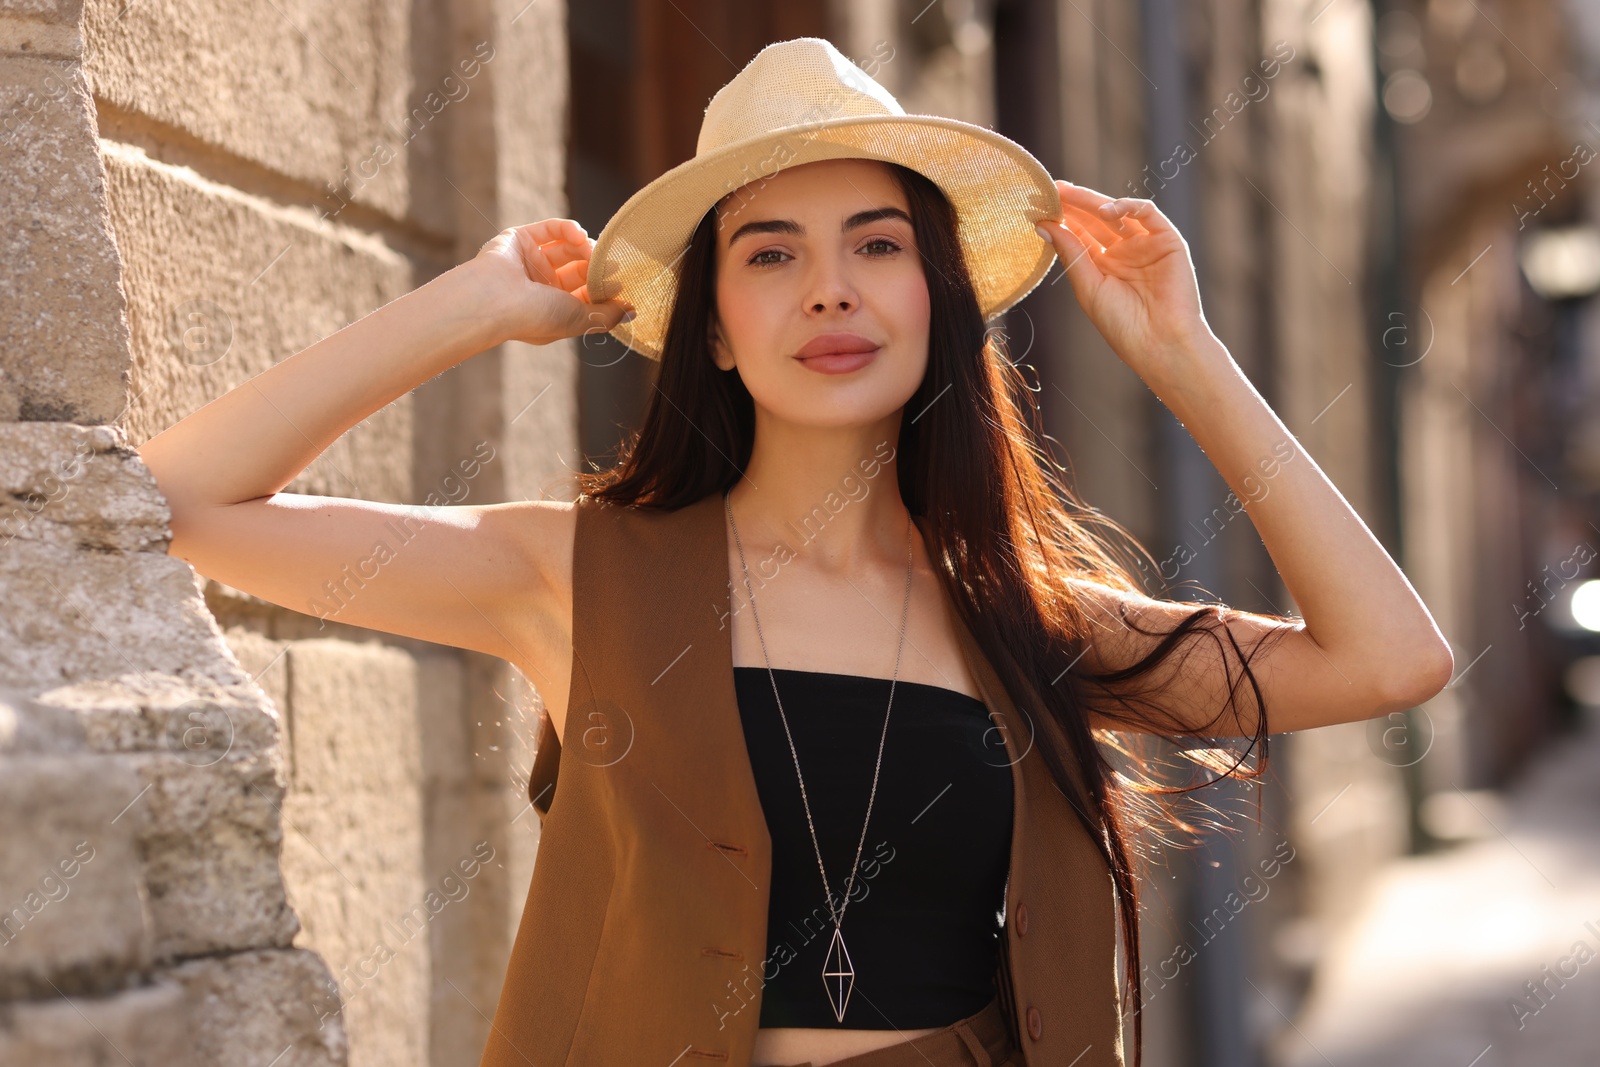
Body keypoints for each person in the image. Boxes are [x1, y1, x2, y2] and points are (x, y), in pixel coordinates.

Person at [137, 36, 1452, 1067]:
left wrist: (1185, 358)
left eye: (877, 247)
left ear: (934, 302)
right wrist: (470, 309)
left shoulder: (1028, 620)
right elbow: (183, 503)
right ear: (712, 326)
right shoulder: (575, 575)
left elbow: (1390, 660)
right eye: (773, 256)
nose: (831, 289)